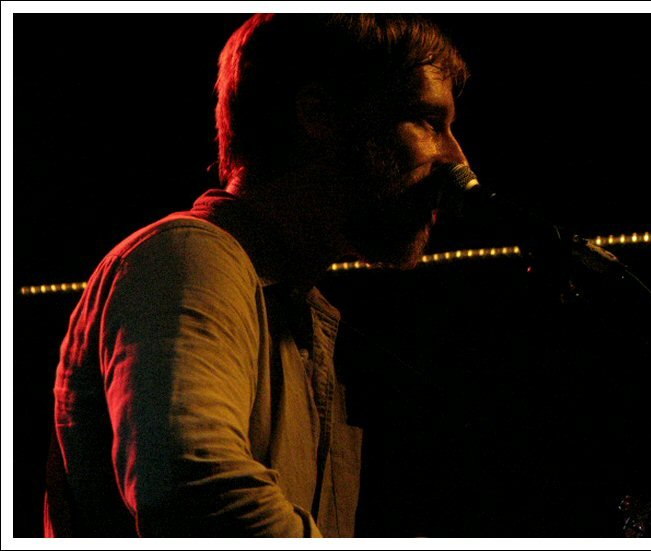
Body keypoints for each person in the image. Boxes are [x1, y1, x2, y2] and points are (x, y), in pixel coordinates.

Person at [43, 14, 470, 537]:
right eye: (427, 120)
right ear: (319, 115)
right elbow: (193, 489)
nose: (457, 159)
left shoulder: (287, 307)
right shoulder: (191, 255)